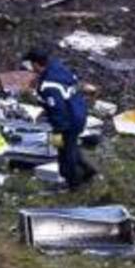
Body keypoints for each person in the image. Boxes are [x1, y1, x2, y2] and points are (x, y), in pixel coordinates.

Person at [24, 47, 95, 190]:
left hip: (67, 121)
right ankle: (88, 171)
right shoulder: (58, 67)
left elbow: (58, 108)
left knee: (64, 153)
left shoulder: (48, 86)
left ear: (37, 64)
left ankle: (73, 184)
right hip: (78, 112)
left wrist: (58, 130)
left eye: (31, 65)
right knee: (70, 146)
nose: (30, 68)